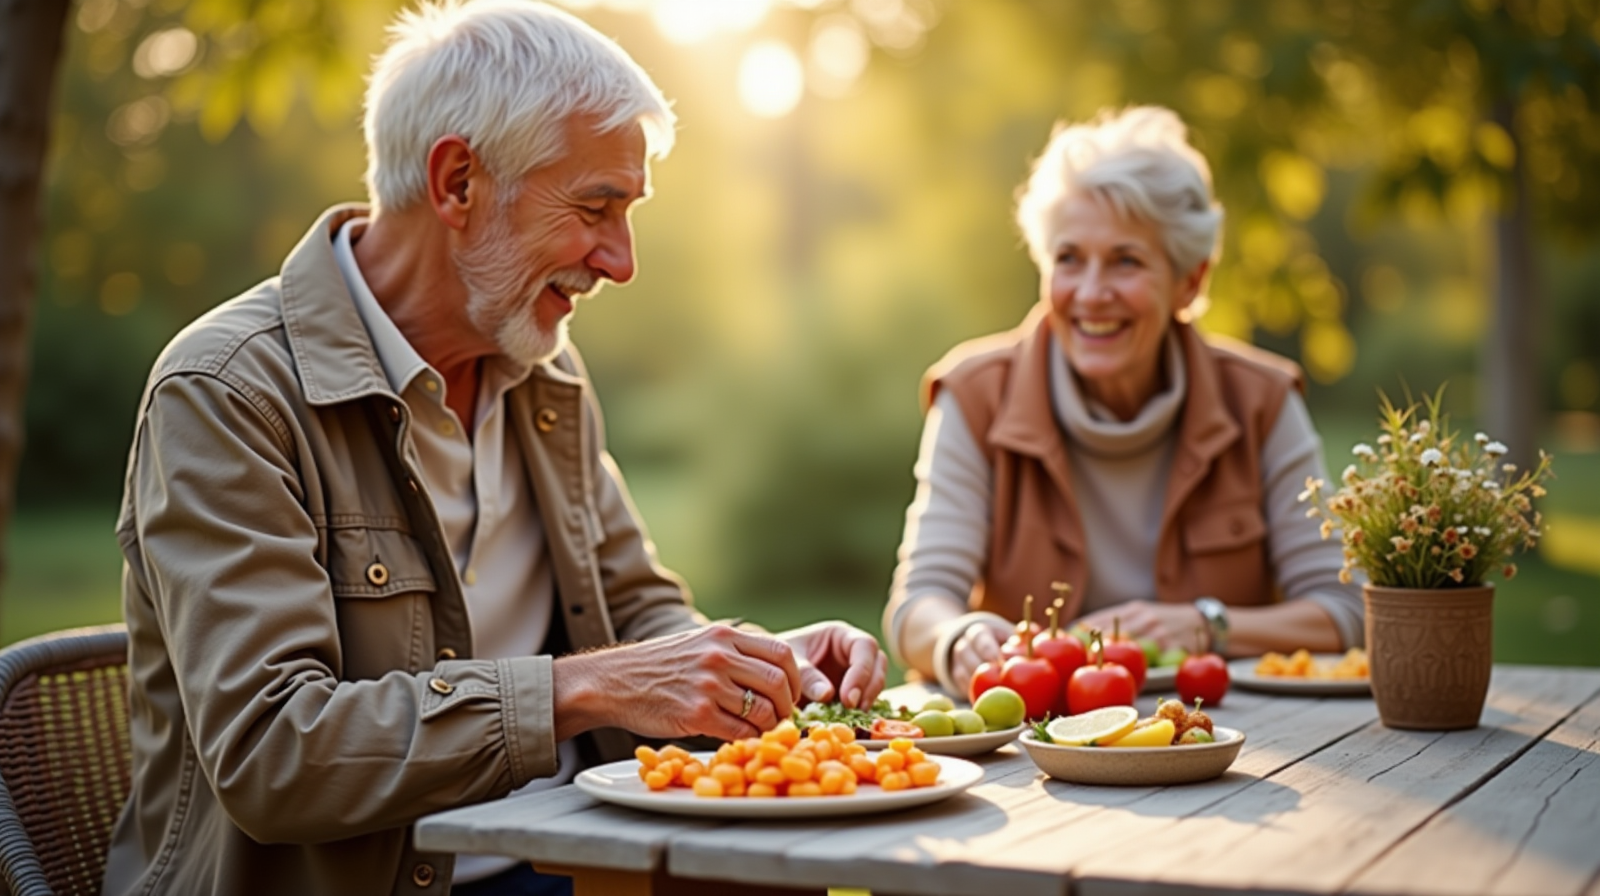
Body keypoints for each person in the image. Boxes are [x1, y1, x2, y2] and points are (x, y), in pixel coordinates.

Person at [103, 3, 887, 895]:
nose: (622, 261)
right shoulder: (226, 393)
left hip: (558, 863)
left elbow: (636, 616)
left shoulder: (542, 370)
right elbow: (276, 753)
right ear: (457, 183)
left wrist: (752, 667)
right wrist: (580, 690)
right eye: (596, 207)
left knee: (793, 876)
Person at [882, 106, 1362, 698]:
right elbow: (915, 607)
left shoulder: (1261, 400)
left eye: (1126, 261)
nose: (1090, 294)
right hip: (1031, 754)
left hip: (1230, 740)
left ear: (1189, 281)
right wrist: (959, 636)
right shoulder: (975, 395)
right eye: (1069, 258)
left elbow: (1347, 608)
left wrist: (1208, 625)